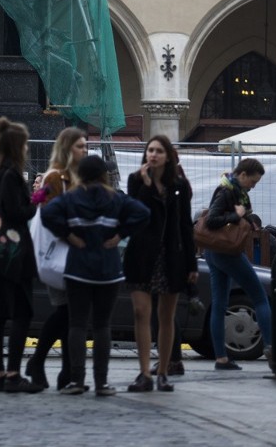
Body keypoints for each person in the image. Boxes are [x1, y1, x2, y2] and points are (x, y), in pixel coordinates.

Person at [42, 153, 149, 397]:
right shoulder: (115, 198)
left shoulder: (71, 198)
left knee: (77, 324)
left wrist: (68, 234)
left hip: (78, 269)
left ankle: (77, 380)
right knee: (102, 326)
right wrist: (121, 234)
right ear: (103, 175)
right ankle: (101, 382)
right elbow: (143, 213)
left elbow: (48, 213)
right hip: (108, 270)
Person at [123, 135, 196, 393]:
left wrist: (192, 264)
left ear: (167, 156)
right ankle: (144, 373)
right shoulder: (135, 180)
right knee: (141, 312)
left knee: (166, 316)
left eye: (158, 151)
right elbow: (134, 215)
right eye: (149, 150)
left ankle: (163, 371)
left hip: (171, 257)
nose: (152, 155)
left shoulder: (179, 186)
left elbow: (186, 226)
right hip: (141, 255)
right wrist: (145, 186)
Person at [25, 126, 88, 390]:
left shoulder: (76, 177)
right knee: (66, 312)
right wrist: (70, 234)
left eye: (85, 146)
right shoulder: (56, 177)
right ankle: (40, 361)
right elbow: (45, 208)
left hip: (70, 253)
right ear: (67, 148)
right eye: (80, 146)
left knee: (69, 313)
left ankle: (64, 372)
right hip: (59, 250)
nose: (85, 151)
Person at [0, 117, 39, 393]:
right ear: (17, 146)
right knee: (22, 312)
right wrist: (36, 201)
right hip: (14, 253)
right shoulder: (13, 175)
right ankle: (14, 372)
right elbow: (19, 212)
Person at [201, 157, 272, 371]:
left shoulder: (233, 190)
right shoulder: (226, 192)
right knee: (259, 296)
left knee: (219, 304)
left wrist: (247, 219)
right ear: (242, 175)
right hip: (227, 252)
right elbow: (212, 220)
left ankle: (221, 359)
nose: (254, 185)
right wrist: (237, 214)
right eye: (253, 181)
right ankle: (271, 347)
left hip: (213, 253)